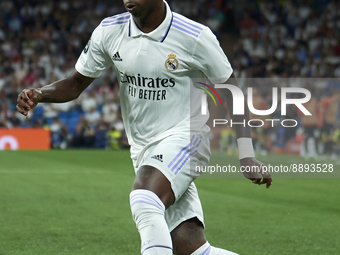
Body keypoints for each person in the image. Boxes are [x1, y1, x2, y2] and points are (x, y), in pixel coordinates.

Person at [16, 1, 272, 254]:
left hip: (186, 138)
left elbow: (232, 92)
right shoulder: (109, 31)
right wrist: (40, 93)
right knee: (189, 249)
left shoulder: (195, 36)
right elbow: (75, 84)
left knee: (145, 198)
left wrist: (246, 153)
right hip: (143, 150)